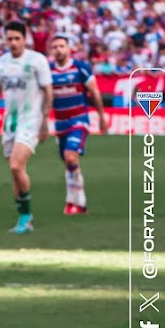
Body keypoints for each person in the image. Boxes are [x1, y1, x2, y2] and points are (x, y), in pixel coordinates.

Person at [0, 20, 53, 233]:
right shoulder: (1, 63)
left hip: (31, 121)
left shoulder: (37, 60)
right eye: (9, 39)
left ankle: (27, 215)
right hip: (10, 123)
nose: (13, 43)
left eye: (17, 38)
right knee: (15, 174)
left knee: (15, 165)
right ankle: (23, 218)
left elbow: (48, 91)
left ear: (24, 39)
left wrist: (45, 120)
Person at [46, 34, 109, 214]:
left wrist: (102, 117)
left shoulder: (80, 68)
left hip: (79, 120)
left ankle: (78, 199)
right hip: (60, 123)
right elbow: (46, 98)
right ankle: (75, 202)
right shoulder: (48, 71)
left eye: (61, 46)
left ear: (69, 49)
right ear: (51, 51)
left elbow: (95, 92)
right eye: (55, 47)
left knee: (70, 157)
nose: (58, 49)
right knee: (69, 163)